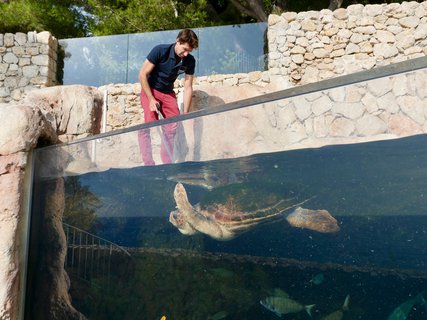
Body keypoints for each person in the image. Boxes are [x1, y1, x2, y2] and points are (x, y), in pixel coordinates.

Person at [137, 29, 199, 166]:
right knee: (149, 124)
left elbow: (188, 86)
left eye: (189, 51)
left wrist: (186, 113)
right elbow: (142, 75)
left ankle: (167, 163)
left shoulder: (189, 60)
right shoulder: (160, 50)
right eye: (184, 49)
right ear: (178, 41)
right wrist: (151, 99)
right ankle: (148, 164)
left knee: (172, 126)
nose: (186, 53)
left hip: (168, 93)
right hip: (150, 90)